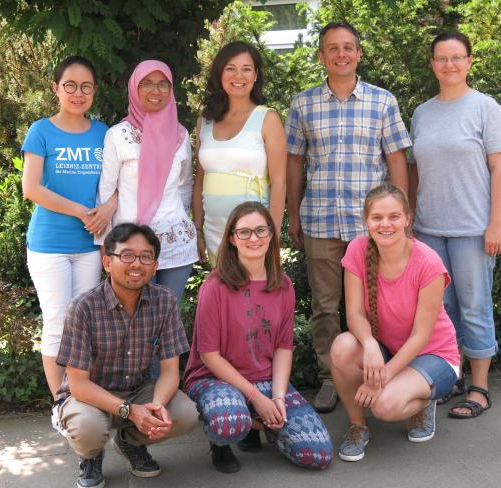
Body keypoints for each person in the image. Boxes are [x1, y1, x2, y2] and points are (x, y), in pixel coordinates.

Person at [285, 22, 412, 413]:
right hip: (321, 220)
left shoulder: (382, 101)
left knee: (376, 307)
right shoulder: (302, 104)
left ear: (358, 53)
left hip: (372, 228)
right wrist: (294, 213)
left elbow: (396, 160)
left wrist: (403, 214)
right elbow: (294, 163)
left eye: (348, 47)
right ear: (321, 55)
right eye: (332, 48)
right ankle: (329, 378)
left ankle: (378, 375)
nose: (341, 54)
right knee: (325, 306)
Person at [184, 201, 333, 474]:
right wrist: (256, 397)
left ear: (272, 235)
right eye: (244, 232)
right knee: (229, 423)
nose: (253, 238)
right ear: (232, 238)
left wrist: (276, 399)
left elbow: (283, 348)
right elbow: (209, 355)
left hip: (266, 379)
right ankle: (225, 440)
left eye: (261, 230)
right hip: (214, 379)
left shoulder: (283, 285)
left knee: (317, 452)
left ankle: (262, 422)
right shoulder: (215, 286)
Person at [407, 32, 501, 418]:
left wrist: (495, 224)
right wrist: (412, 221)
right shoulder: (422, 112)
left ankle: (479, 388)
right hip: (430, 229)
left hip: (472, 229)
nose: (449, 65)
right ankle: (449, 378)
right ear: (432, 63)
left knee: (474, 307)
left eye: (456, 57)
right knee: (440, 312)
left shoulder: (486, 108)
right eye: (441, 58)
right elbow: (415, 172)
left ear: (469, 61)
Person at [54, 223, 198, 488]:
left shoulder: (165, 301)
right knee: (89, 429)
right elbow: (78, 384)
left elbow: (169, 371)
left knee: (185, 414)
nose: (137, 264)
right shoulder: (83, 308)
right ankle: (91, 454)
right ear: (107, 262)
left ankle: (129, 442)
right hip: (89, 397)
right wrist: (129, 411)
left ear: (155, 266)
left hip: (137, 391)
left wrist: (155, 407)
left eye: (146, 257)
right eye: (127, 255)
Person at [330, 183, 460, 462]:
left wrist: (380, 379)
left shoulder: (428, 263)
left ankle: (425, 402)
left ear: (407, 219)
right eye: (377, 217)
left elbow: (420, 337)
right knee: (342, 346)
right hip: (388, 347)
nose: (385, 224)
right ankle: (357, 426)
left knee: (385, 406)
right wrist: (369, 344)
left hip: (434, 354)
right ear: (366, 220)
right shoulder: (357, 250)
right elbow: (354, 313)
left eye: (394, 216)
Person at [22, 55, 116, 402]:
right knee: (59, 323)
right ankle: (63, 405)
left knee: (83, 328)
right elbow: (31, 188)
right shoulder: (41, 130)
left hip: (90, 245)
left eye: (86, 86)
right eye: (71, 85)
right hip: (49, 244)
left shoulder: (102, 133)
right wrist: (81, 211)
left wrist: (108, 207)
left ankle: (82, 398)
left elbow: (118, 180)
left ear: (94, 91)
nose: (79, 93)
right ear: (56, 89)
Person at [95, 60, 197, 305]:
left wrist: (171, 218)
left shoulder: (181, 136)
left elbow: (184, 186)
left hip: (176, 243)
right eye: (147, 84)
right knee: (134, 318)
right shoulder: (118, 136)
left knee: (169, 317)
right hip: (131, 247)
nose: (156, 91)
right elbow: (106, 193)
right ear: (134, 88)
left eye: (163, 84)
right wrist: (105, 247)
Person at [192, 41, 286, 266]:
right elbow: (199, 182)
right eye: (231, 68)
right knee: (223, 297)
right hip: (215, 232)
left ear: (255, 75)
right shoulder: (204, 121)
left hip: (255, 234)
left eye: (246, 69)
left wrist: (271, 236)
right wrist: (197, 230)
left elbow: (280, 183)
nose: (239, 75)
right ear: (220, 73)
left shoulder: (267, 119)